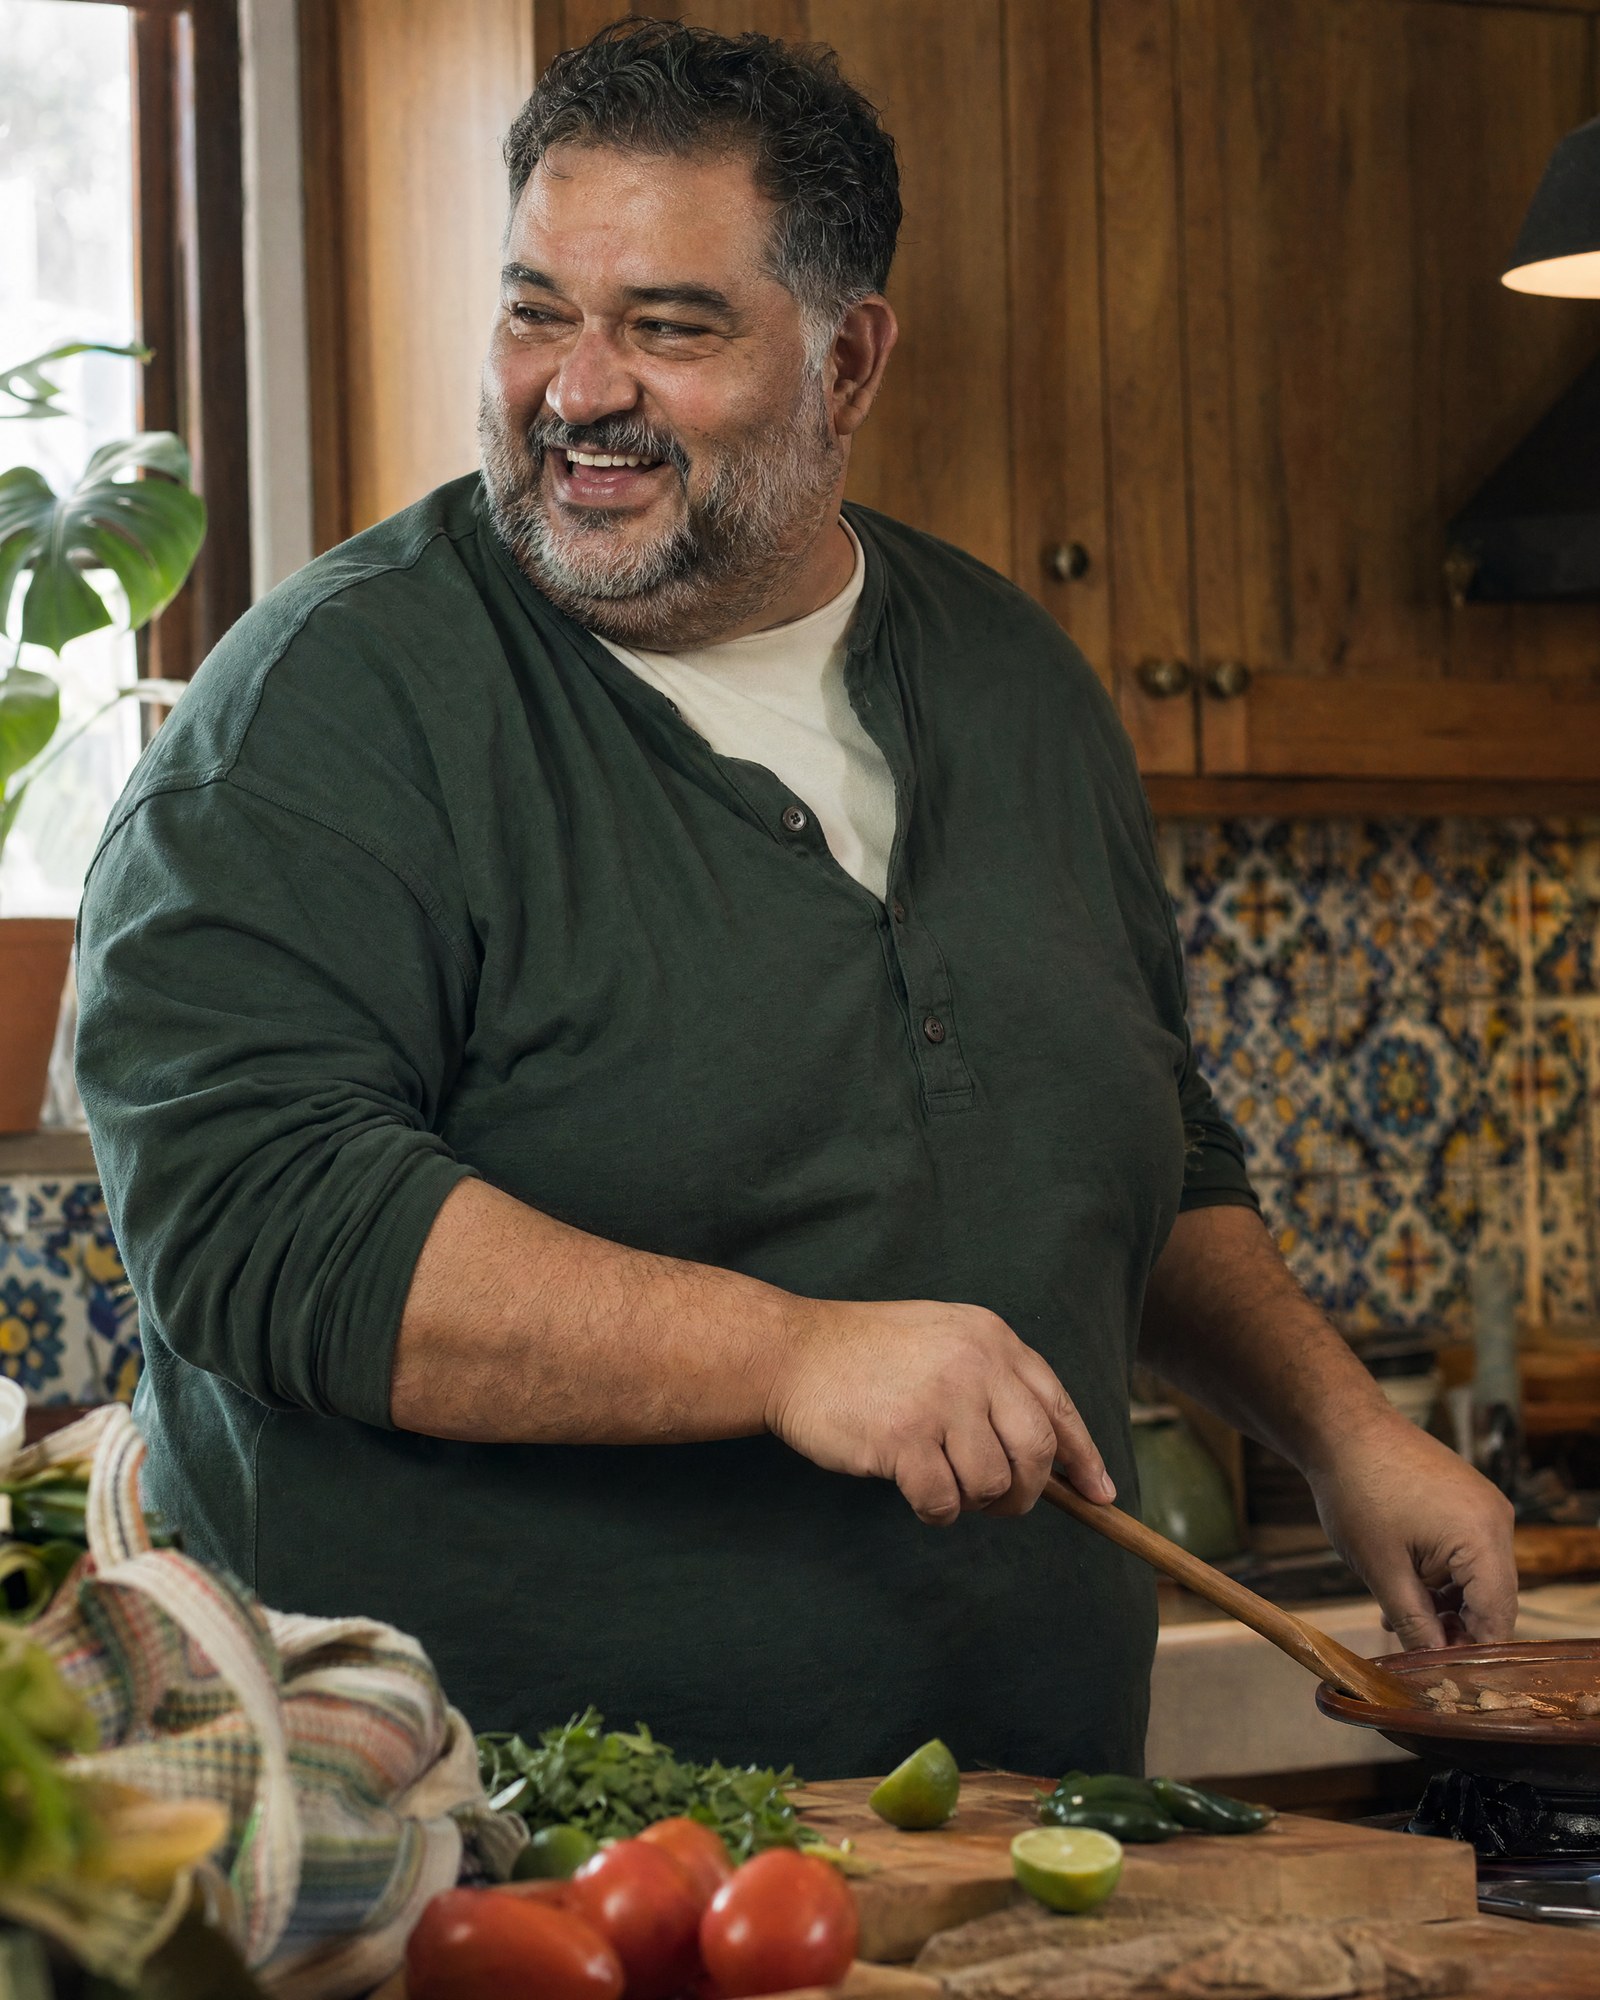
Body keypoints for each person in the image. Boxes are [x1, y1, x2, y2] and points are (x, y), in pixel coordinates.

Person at [75, 20, 1513, 1777]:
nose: (576, 390)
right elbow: (259, 1223)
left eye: (669, 327)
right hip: (516, 1846)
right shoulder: (324, 709)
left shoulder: (1017, 684)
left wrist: (1346, 1430)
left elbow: (1143, 1150)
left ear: (849, 363)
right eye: (534, 310)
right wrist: (786, 1356)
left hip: (1039, 1829)